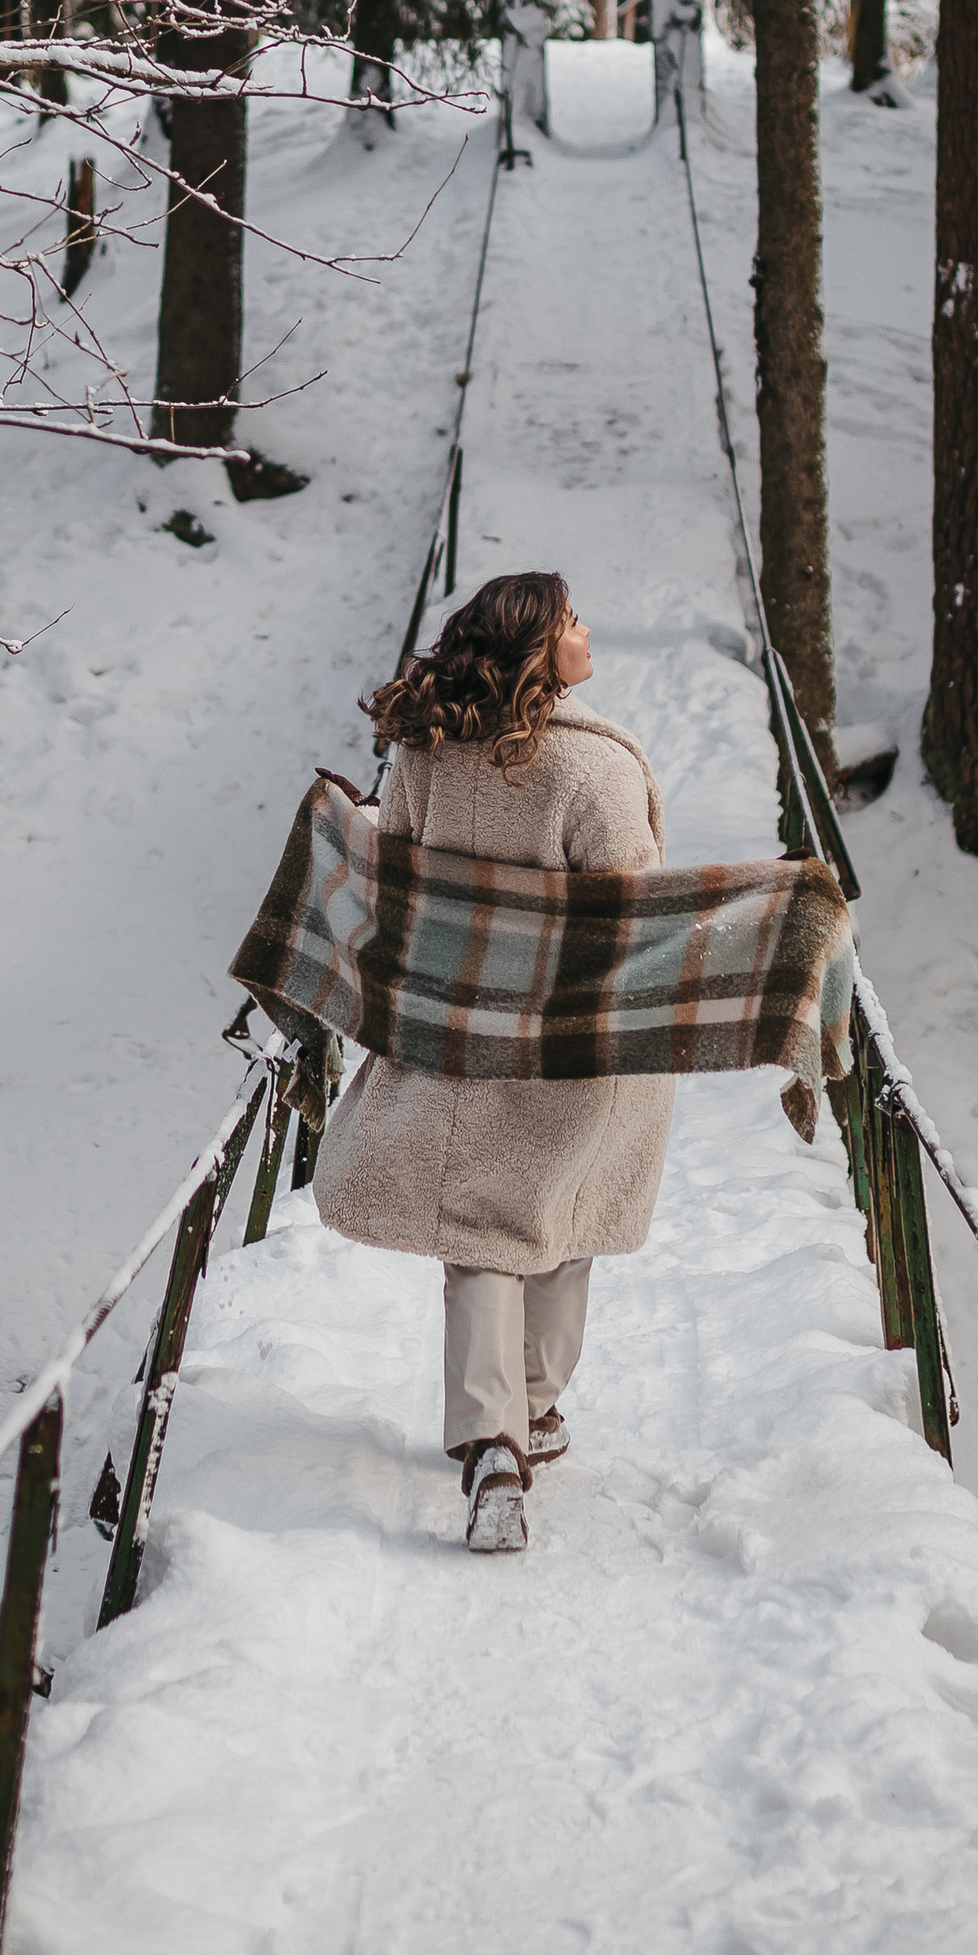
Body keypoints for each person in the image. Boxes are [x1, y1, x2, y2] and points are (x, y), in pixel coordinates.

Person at [310, 570, 674, 1555]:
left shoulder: (427, 750)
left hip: (462, 1028)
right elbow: (630, 914)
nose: (587, 632)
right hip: (568, 1040)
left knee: (479, 1231)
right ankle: (536, 1408)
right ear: (537, 648)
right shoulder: (592, 770)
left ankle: (494, 1447)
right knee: (561, 1217)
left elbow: (398, 870)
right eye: (572, 621)